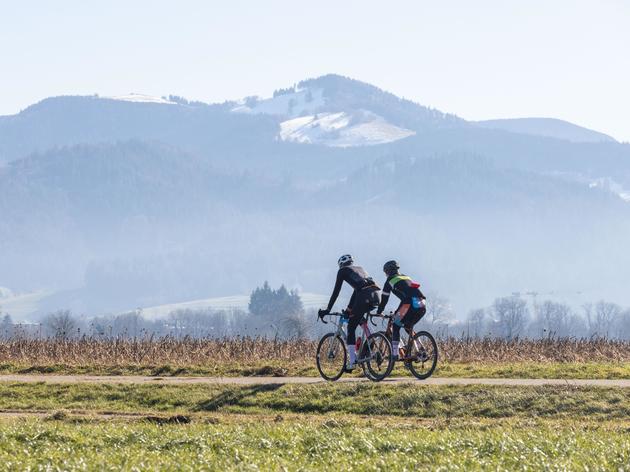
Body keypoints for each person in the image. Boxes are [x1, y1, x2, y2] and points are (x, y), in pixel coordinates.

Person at [320, 254, 380, 371]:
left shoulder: (342, 271)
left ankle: (352, 362)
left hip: (364, 295)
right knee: (359, 318)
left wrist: (327, 309)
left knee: (351, 326)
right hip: (376, 295)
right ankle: (371, 338)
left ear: (341, 265)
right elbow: (357, 290)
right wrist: (349, 309)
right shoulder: (360, 269)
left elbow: (336, 292)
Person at [376, 260, 426, 360]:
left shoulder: (390, 280)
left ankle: (395, 354)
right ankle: (421, 349)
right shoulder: (406, 277)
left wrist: (379, 311)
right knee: (408, 326)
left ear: (387, 271)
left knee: (396, 324)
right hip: (422, 303)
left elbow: (384, 299)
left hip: (409, 303)